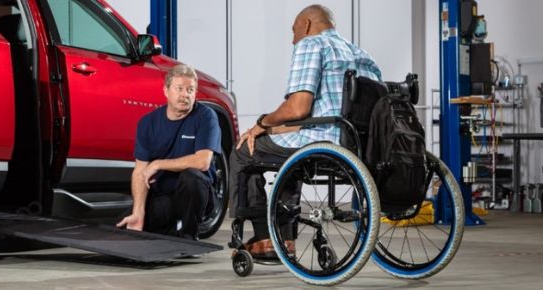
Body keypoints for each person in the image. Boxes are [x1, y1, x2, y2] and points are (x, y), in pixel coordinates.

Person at [230, 4, 382, 259]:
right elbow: (323, 114)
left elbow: (298, 108)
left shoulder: (312, 45)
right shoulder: (363, 56)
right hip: (355, 146)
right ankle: (286, 239)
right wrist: (273, 129)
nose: (293, 40)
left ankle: (265, 237)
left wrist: (261, 123)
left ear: (306, 25)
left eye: (293, 31)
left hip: (320, 143)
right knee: (288, 158)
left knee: (243, 152)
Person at [117, 64, 221, 240]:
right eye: (179, 89)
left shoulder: (206, 116)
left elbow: (203, 162)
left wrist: (158, 164)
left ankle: (188, 237)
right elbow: (140, 172)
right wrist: (138, 211)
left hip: (197, 194)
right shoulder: (148, 123)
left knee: (191, 178)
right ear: (166, 90)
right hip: (165, 196)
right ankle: (170, 230)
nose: (185, 95)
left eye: (190, 90)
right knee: (126, 231)